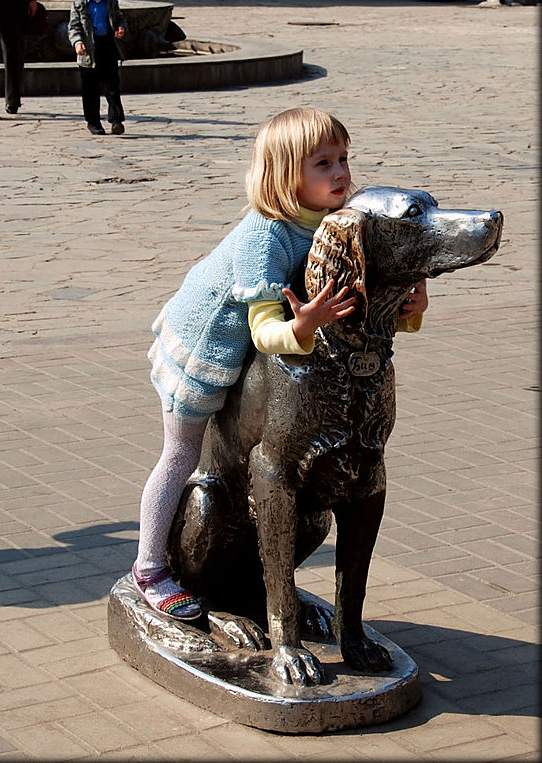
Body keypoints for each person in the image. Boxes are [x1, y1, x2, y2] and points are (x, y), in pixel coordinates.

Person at [133, 107, 428, 620]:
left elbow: (356, 311)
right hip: (205, 349)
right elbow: (265, 331)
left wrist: (410, 312)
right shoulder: (265, 236)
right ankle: (151, 567)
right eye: (322, 163)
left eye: (343, 158)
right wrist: (304, 326)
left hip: (260, 355)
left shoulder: (338, 221)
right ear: (285, 174)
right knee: (182, 455)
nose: (340, 173)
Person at [67, 0, 127, 136]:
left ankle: (116, 119)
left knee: (112, 85)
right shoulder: (79, 5)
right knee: (90, 88)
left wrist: (121, 28)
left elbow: (120, 19)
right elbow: (74, 27)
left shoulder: (111, 2)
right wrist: (77, 43)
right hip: (88, 49)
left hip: (107, 44)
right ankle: (93, 122)